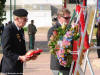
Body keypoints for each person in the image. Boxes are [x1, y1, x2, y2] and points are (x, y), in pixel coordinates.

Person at [0, 9, 37, 75]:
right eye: (24, 19)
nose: (26, 21)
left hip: (18, 67)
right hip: (9, 68)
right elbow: (6, 51)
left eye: (26, 19)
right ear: (17, 19)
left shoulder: (21, 30)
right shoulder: (8, 29)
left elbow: (21, 49)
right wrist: (20, 57)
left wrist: (29, 55)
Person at [48, 8, 71, 75]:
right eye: (66, 18)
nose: (69, 20)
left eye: (69, 17)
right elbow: (52, 46)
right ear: (59, 17)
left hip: (68, 64)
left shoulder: (69, 29)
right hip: (58, 65)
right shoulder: (53, 29)